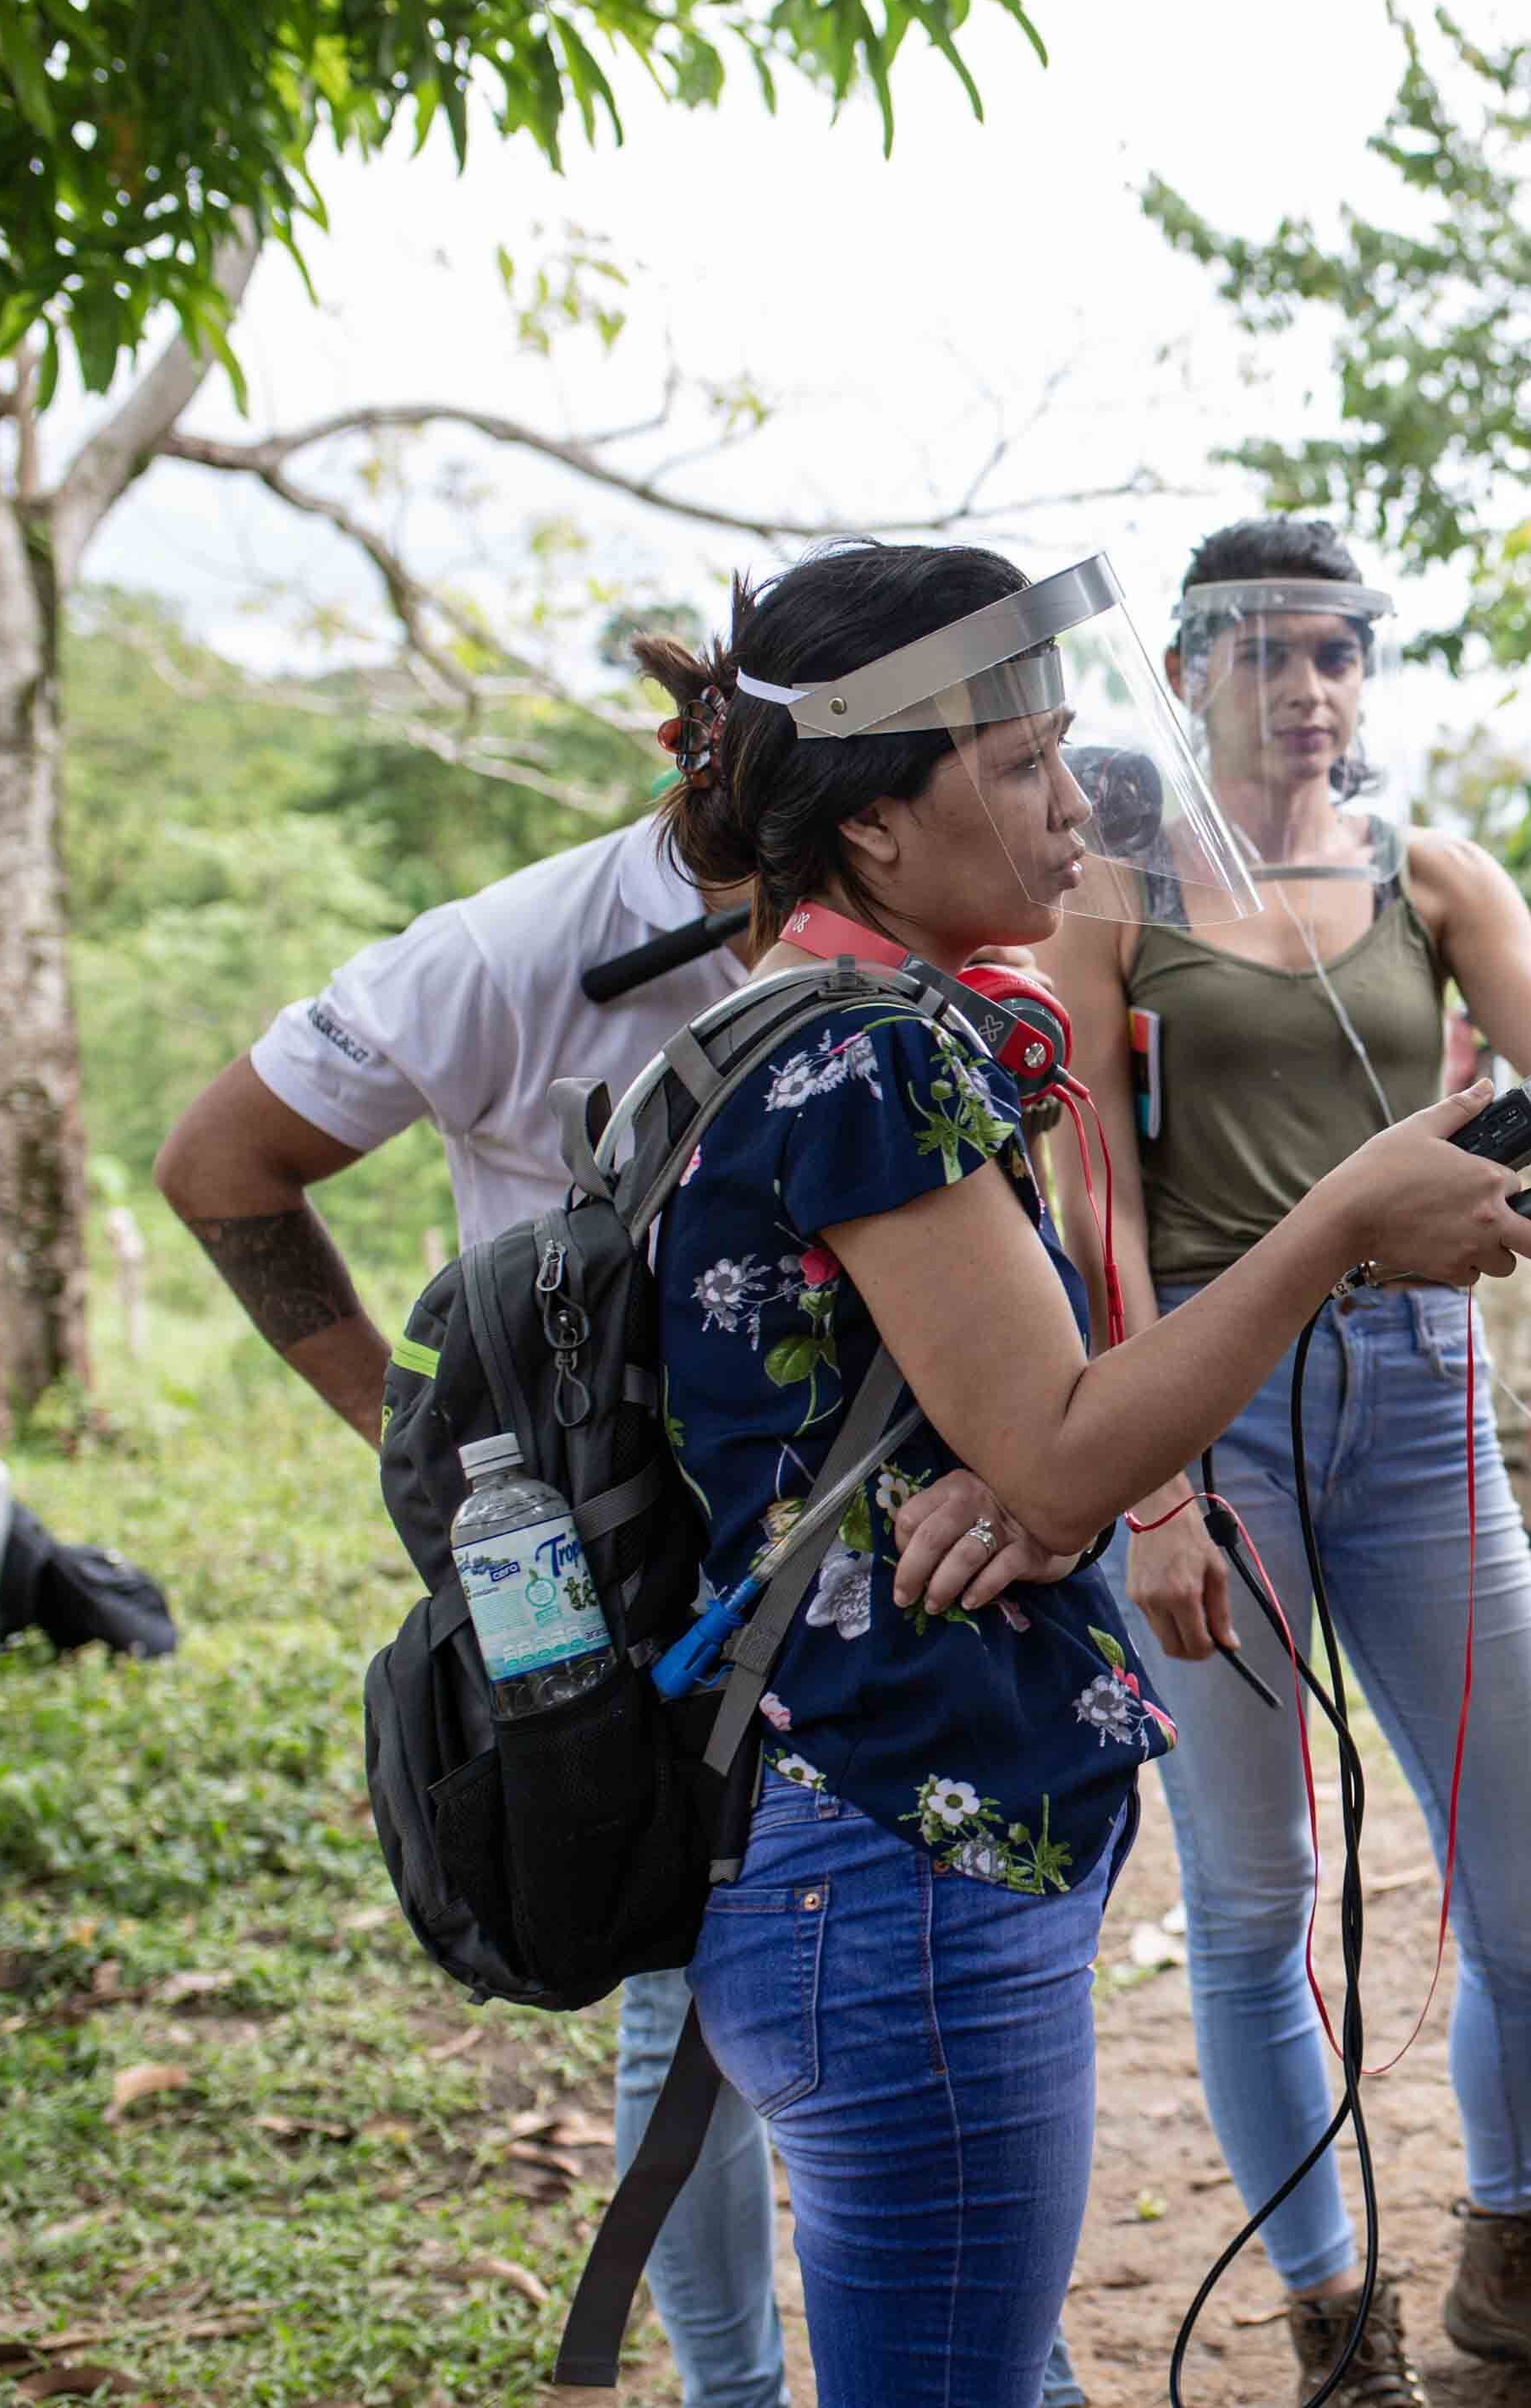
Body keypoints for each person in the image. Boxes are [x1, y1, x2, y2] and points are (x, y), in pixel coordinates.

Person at [621, 535, 1531, 2406]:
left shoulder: (802, 1028)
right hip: (895, 1848)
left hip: (852, 1826)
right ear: (878, 825)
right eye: (1025, 769)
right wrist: (1347, 1212)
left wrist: (1016, 1473)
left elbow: (982, 1436)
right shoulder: (875, 1058)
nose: (1077, 813)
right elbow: (1056, 1458)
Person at [156, 806, 1088, 2408]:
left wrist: (1024, 1458)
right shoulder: (503, 953)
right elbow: (219, 1162)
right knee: (676, 1974)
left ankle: (990, 2353)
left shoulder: (924, 934)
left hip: (836, 1551)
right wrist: (444, 1459)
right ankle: (735, 2383)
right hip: (619, 1563)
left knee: (902, 2082)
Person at [1037, 515, 1531, 2408]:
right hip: (1219, 1404)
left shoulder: (1431, 876)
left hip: (1423, 1400)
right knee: (1255, 1895)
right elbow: (1090, 1191)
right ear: (1195, 667)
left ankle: (1516, 2255)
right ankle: (1331, 2323)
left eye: (1340, 652)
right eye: (1270, 652)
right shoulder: (1114, 894)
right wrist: (1147, 1477)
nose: (1310, 688)